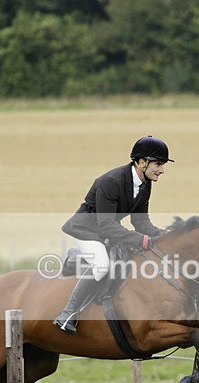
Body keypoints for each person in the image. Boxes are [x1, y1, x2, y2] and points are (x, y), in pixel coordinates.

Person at [53, 135, 173, 335]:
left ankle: (81, 260)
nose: (162, 169)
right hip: (86, 230)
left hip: (106, 233)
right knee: (102, 265)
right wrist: (141, 240)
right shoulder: (112, 181)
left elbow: (140, 222)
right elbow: (107, 224)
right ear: (141, 162)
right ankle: (66, 315)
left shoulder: (145, 184)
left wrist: (166, 236)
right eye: (158, 164)